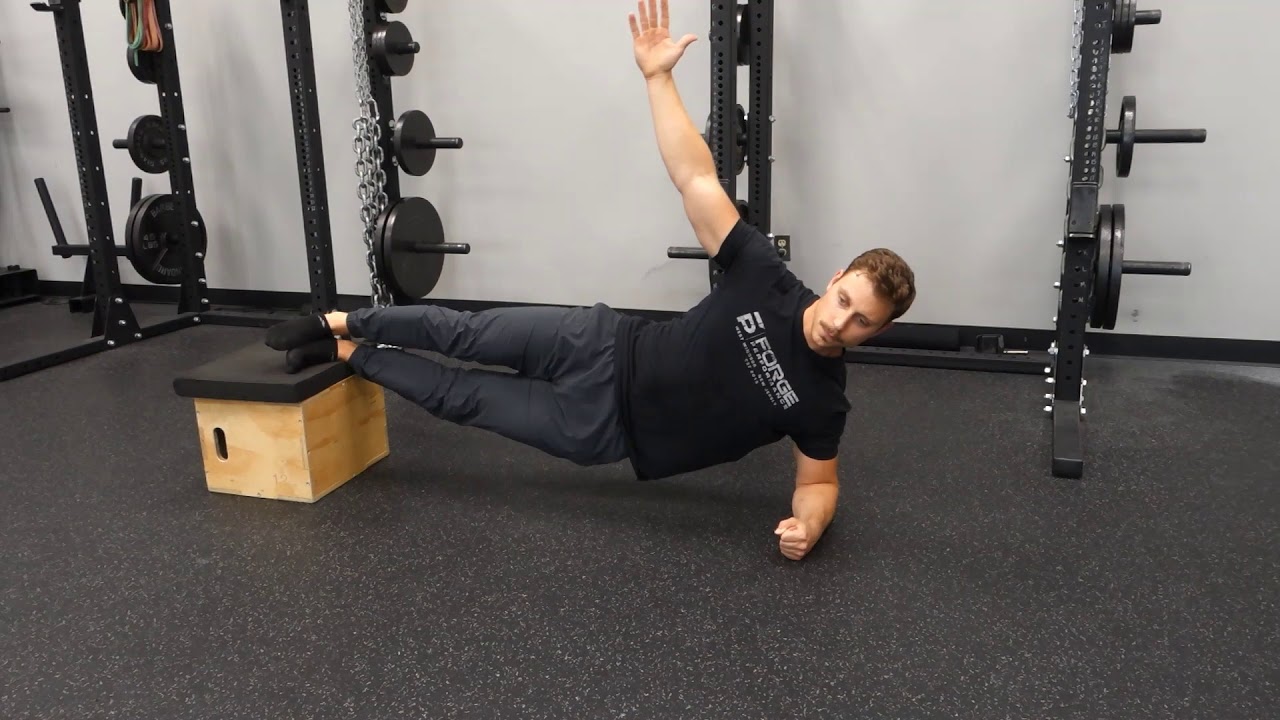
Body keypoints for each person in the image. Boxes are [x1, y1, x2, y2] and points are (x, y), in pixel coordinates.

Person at [264, 0, 915, 561]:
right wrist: (658, 79)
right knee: (459, 331)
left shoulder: (823, 402)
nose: (839, 321)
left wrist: (810, 525)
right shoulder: (764, 276)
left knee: (460, 399)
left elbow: (818, 483)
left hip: (602, 429)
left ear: (878, 332)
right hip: (599, 341)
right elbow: (696, 178)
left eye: (861, 320)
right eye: (844, 299)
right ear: (836, 277)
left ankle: (348, 355)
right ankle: (338, 320)